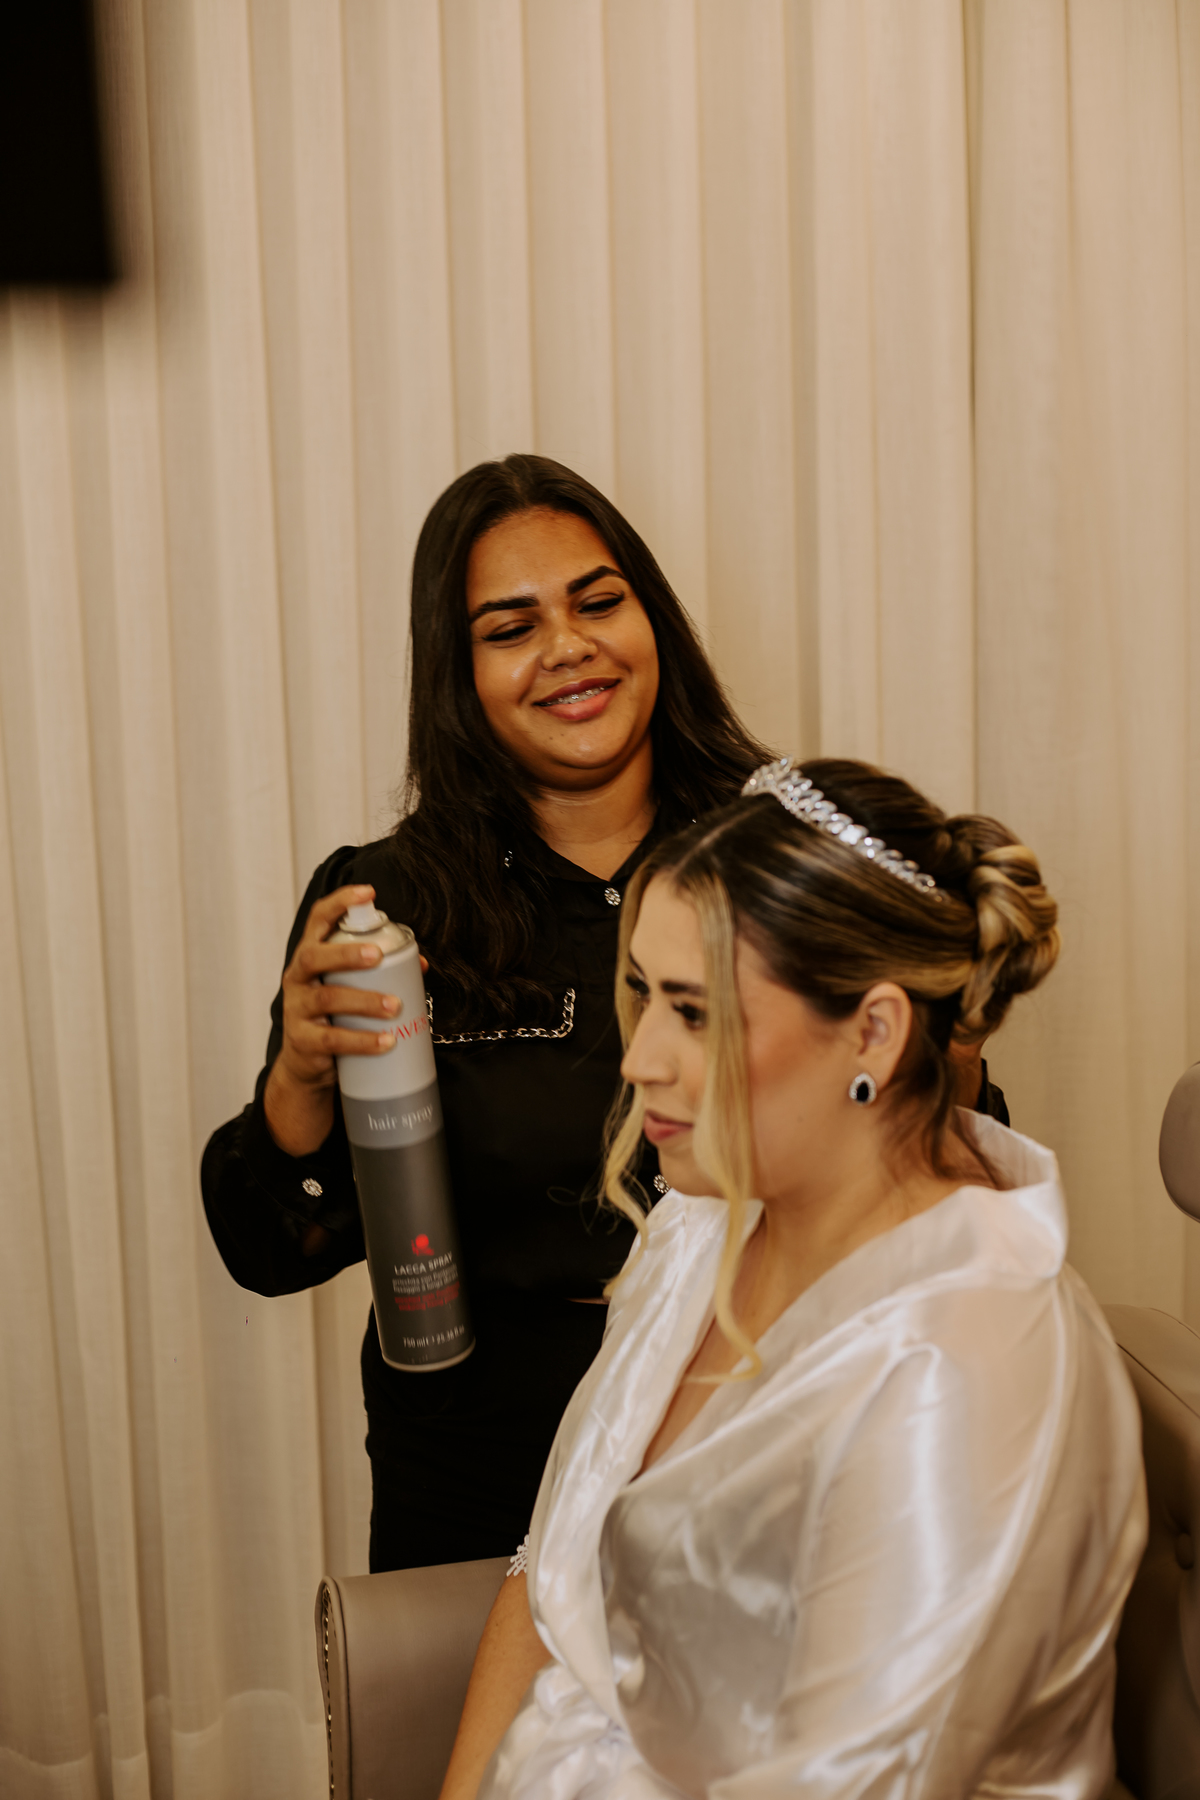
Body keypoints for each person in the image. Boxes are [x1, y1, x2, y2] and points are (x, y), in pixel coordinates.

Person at [440, 756, 1147, 1800]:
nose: (638, 1060)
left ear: (873, 1032)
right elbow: (550, 1571)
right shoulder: (702, 1224)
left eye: (695, 1012)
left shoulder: (961, 1373)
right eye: (644, 995)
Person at [201, 454, 783, 1571]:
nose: (568, 646)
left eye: (598, 603)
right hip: (485, 1468)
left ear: (652, 622)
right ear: (459, 675)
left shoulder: (779, 859)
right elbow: (271, 1253)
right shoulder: (388, 905)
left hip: (754, 1431)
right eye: (512, 628)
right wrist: (299, 1083)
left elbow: (926, 1157)